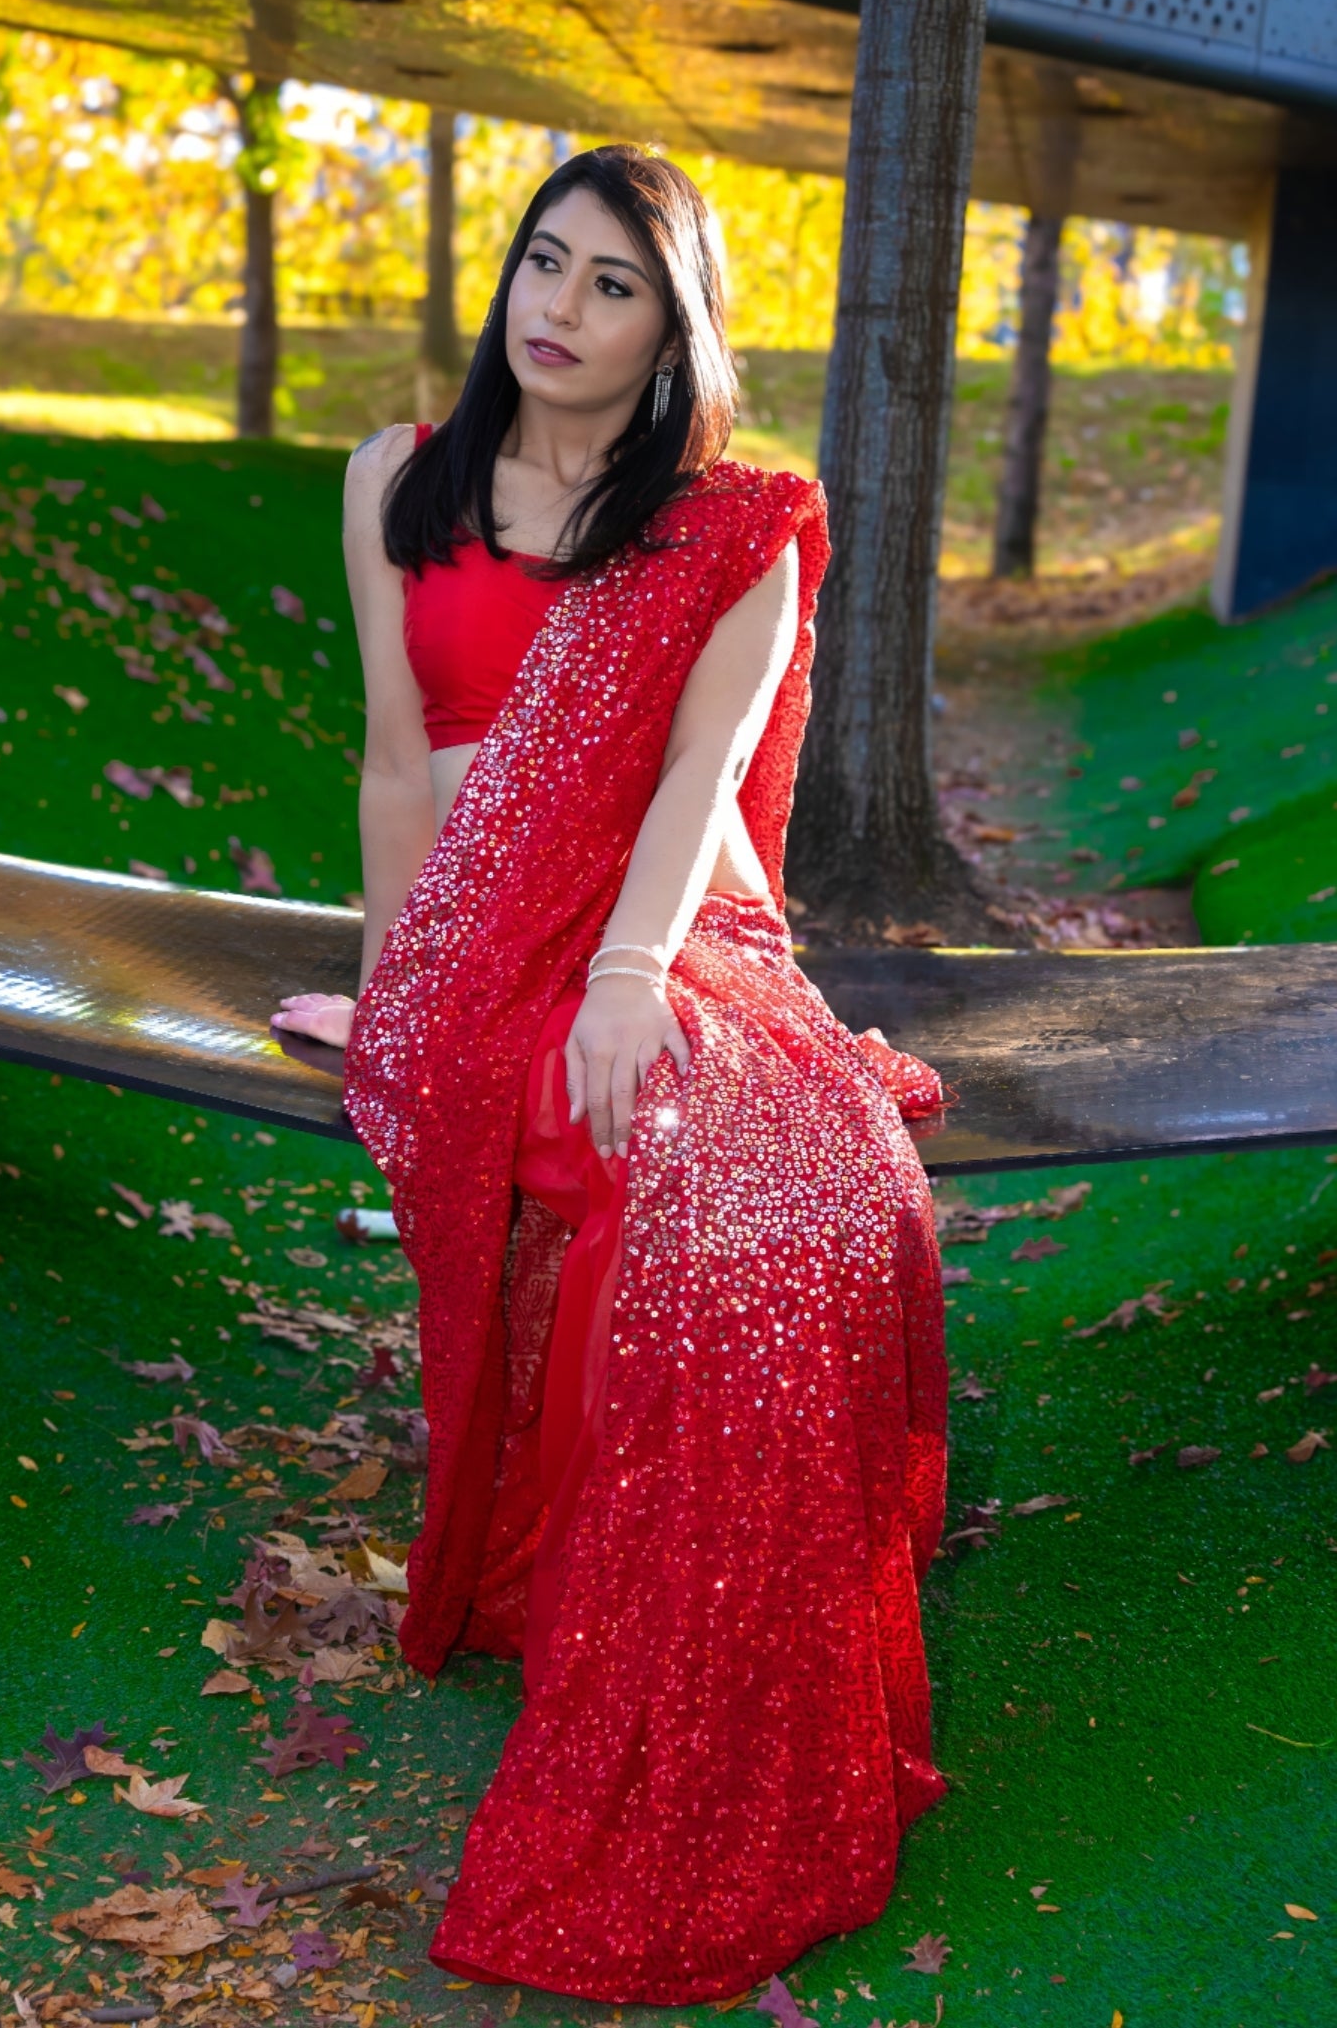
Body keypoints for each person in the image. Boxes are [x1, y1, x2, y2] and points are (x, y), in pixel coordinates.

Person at [271, 145, 948, 2006]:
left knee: (768, 1201)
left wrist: (633, 973)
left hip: (666, 926)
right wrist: (399, 986)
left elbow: (688, 786)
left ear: (673, 329)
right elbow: (399, 763)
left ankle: (671, 1638)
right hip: (475, 939)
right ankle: (560, 1572)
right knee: (585, 1147)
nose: (555, 309)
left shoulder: (729, 530)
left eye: (611, 284)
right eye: (540, 264)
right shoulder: (397, 483)